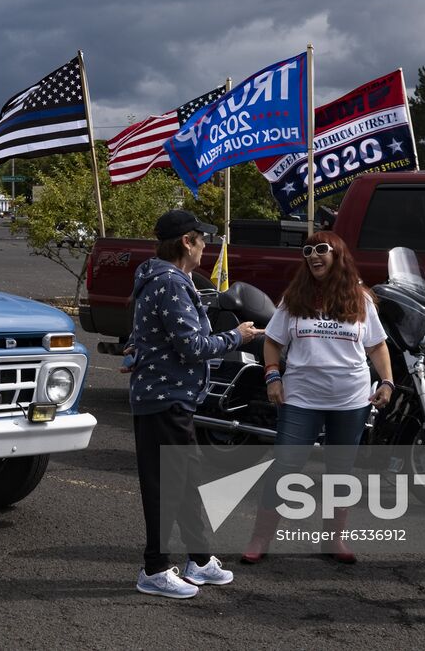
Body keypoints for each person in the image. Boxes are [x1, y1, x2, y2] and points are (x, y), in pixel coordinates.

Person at [130, 209, 265, 599]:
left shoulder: (161, 278)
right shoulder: (170, 283)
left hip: (171, 397)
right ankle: (153, 570)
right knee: (166, 487)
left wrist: (137, 354)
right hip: (165, 399)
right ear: (187, 242)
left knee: (186, 483)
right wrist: (236, 336)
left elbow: (149, 334)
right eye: (203, 239)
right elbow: (192, 347)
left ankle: (200, 560)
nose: (207, 245)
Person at [240, 231, 394, 565]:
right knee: (285, 466)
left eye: (320, 249)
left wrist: (387, 381)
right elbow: (273, 341)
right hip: (301, 398)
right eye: (307, 251)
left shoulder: (361, 299)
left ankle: (333, 539)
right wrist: (272, 375)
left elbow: (377, 345)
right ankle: (261, 537)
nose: (312, 256)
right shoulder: (295, 298)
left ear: (338, 255)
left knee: (340, 470)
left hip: (350, 399)